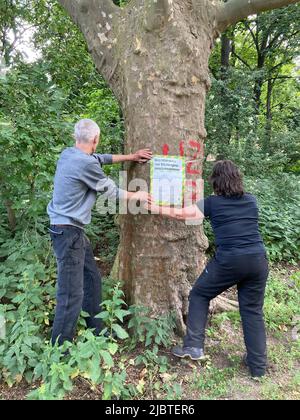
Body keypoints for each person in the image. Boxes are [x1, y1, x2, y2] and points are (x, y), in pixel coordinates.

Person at [146, 160, 269, 378]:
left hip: (230, 260)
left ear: (216, 181)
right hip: (258, 260)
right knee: (252, 311)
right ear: (237, 179)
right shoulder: (251, 201)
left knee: (200, 294)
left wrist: (153, 207)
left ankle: (193, 346)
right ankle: (258, 367)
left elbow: (181, 214)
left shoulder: (213, 203)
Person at [47, 118, 152, 345]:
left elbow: (100, 158)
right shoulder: (84, 164)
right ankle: (58, 349)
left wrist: (131, 157)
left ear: (78, 138)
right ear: (95, 139)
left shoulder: (70, 154)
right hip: (68, 233)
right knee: (70, 294)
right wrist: (139, 196)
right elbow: (110, 192)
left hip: (70, 231)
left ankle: (97, 331)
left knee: (92, 278)